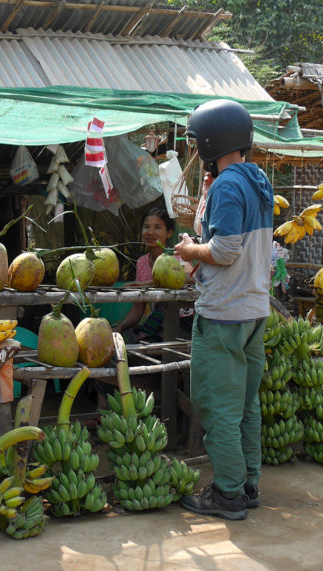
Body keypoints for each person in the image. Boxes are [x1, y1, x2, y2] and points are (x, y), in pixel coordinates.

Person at [174, 99, 274, 521]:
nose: (197, 151)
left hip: (224, 315)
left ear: (214, 140)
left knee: (217, 408)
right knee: (246, 405)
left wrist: (188, 249)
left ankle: (228, 495)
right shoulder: (256, 178)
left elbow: (226, 249)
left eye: (199, 143)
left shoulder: (229, 185)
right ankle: (247, 484)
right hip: (253, 311)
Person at [112, 207, 176, 342]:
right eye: (146, 227)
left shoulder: (178, 256)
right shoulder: (142, 262)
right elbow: (138, 307)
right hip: (157, 323)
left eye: (157, 228)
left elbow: (189, 278)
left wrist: (146, 284)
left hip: (180, 322)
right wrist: (121, 326)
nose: (150, 232)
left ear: (169, 233)